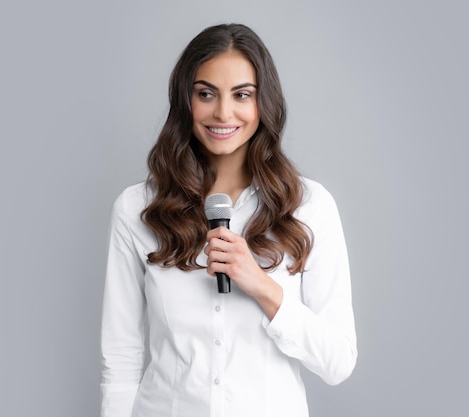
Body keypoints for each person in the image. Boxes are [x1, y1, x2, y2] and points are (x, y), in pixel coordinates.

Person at [101, 23, 357, 417]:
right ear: (186, 101)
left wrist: (262, 286)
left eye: (242, 95)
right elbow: (120, 360)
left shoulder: (309, 207)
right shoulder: (137, 210)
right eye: (206, 94)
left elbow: (338, 362)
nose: (223, 112)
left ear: (263, 103)